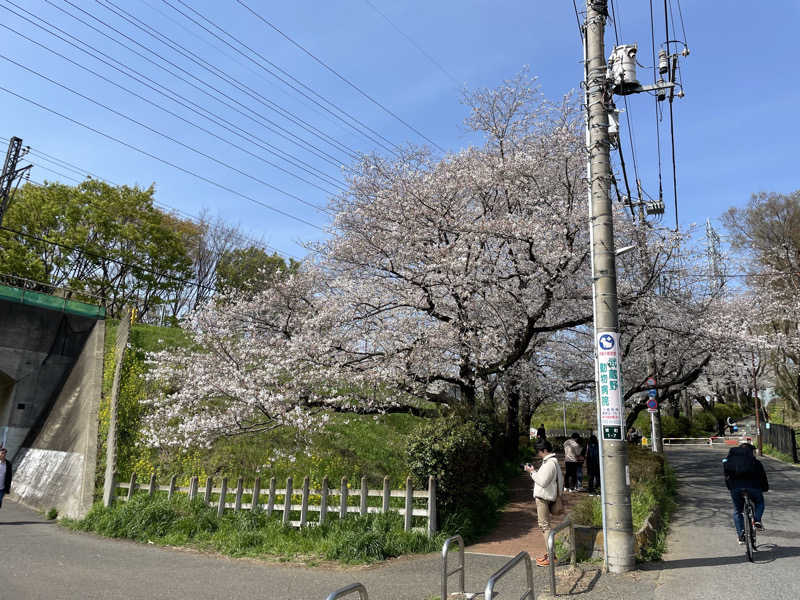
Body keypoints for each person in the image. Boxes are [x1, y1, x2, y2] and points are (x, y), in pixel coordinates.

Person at [524, 440, 564, 567]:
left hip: (543, 498)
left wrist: (531, 472)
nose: (538, 454)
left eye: (539, 451)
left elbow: (542, 482)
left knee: (544, 526)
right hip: (547, 496)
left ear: (545, 450)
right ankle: (550, 554)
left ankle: (552, 556)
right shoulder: (553, 462)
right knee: (545, 526)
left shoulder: (549, 464)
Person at [723, 439, 769, 544]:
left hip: (736, 488)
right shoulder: (755, 462)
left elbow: (727, 477)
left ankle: (741, 534)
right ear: (750, 452)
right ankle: (757, 520)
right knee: (760, 502)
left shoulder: (730, 461)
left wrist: (730, 487)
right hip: (754, 487)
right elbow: (762, 477)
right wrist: (765, 488)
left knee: (737, 511)